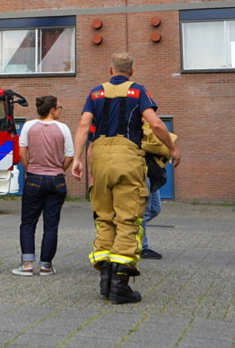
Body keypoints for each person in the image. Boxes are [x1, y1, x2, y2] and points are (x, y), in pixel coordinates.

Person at [72, 52, 177, 304]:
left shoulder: (95, 92)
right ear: (132, 70)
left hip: (99, 158)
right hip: (127, 158)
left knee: (105, 217)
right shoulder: (138, 91)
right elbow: (157, 125)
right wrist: (173, 150)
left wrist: (77, 159)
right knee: (128, 218)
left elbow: (84, 126)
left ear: (110, 70)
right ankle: (121, 285)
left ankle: (105, 279)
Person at [12, 95, 74, 277]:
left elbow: (22, 152)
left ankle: (27, 265)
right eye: (59, 107)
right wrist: (59, 170)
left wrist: (29, 169)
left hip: (34, 178)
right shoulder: (63, 128)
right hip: (56, 179)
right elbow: (69, 155)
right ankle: (46, 265)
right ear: (52, 110)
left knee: (28, 223)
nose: (61, 110)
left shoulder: (29, 127)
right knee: (51, 224)